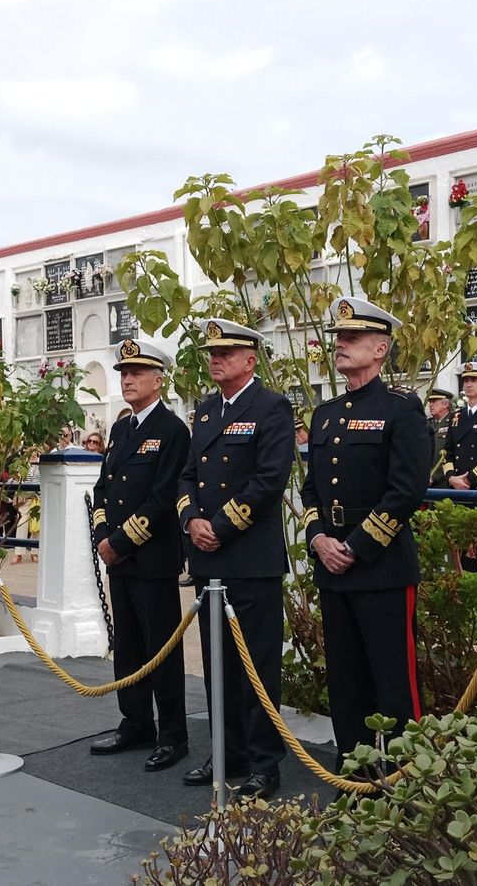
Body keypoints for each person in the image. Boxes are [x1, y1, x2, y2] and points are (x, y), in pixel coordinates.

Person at [301, 297, 432, 764]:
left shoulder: (402, 409)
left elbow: (406, 491)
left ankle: (403, 775)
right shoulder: (326, 413)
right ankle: (353, 769)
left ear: (380, 349)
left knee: (393, 681)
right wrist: (319, 539)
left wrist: (354, 546)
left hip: (381, 567)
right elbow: (310, 489)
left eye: (352, 338)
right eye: (339, 338)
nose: (341, 345)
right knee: (346, 679)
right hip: (332, 566)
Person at [177, 318, 296, 800]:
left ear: (250, 359)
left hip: (250, 559)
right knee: (217, 663)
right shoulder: (205, 412)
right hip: (210, 563)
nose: (215, 359)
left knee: (257, 666)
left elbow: (269, 480)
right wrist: (191, 522)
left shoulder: (272, 407)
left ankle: (265, 763)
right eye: (212, 353)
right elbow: (186, 477)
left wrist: (219, 528)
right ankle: (226, 751)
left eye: (226, 352)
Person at [88, 339, 191, 773]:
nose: (127, 379)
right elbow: (102, 490)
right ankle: (135, 722)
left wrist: (121, 541)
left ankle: (172, 734)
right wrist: (101, 536)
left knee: (160, 649)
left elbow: (163, 498)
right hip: (119, 558)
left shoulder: (172, 431)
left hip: (152, 559)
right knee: (128, 647)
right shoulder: (122, 429)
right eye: (123, 373)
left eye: (136, 373)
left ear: (158, 379)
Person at [440, 362, 477, 490]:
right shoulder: (456, 416)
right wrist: (451, 477)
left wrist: (468, 479)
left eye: (474, 380)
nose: (468, 384)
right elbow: (447, 452)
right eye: (466, 380)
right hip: (456, 486)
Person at [426, 388, 454, 488]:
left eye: (434, 401)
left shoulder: (453, 422)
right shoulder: (427, 423)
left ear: (446, 404)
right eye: (430, 401)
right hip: (424, 479)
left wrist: (434, 476)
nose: (430, 404)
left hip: (444, 481)